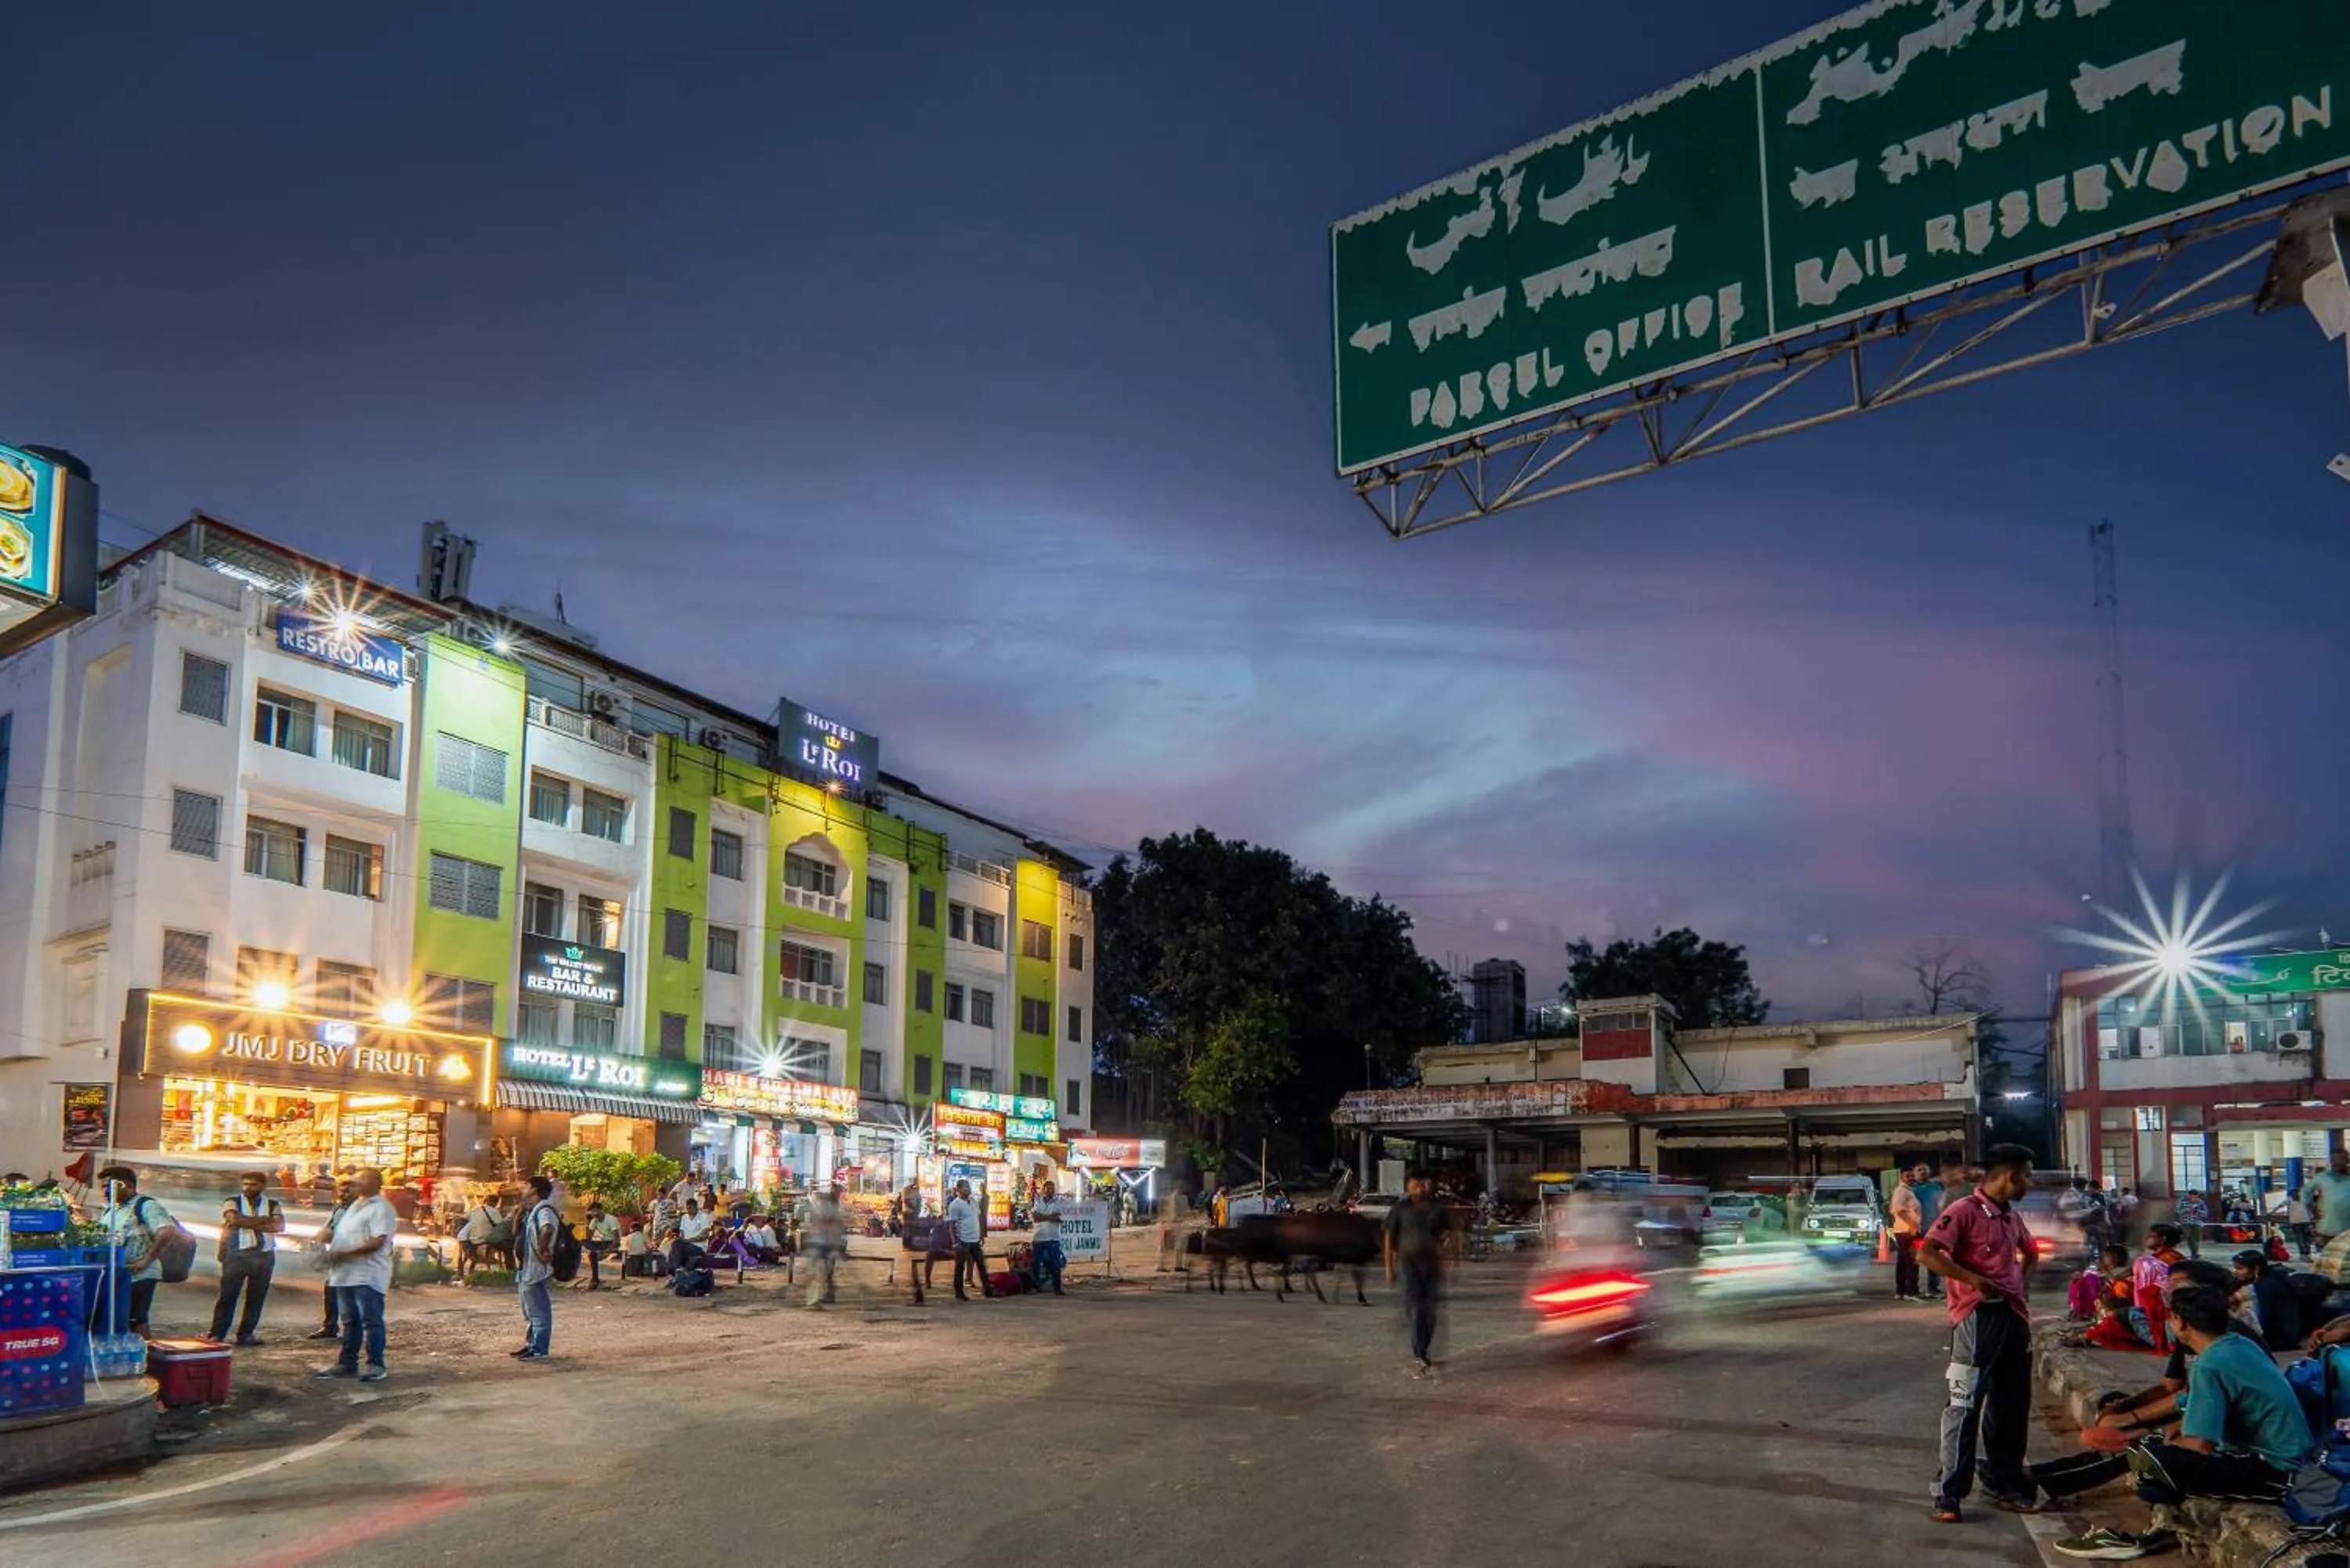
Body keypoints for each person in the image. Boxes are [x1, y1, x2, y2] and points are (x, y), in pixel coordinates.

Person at [2037, 1282, 2312, 1559]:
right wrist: (2153, 1425)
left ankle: (2049, 1486)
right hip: (2268, 1458)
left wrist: (2162, 1439)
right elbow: (2195, 1402)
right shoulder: (2235, 1344)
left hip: (2270, 1470)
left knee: (2149, 1461)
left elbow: (2200, 1445)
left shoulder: (2211, 1363)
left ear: (2181, 1322)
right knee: (2147, 1448)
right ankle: (2045, 1480)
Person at [1918, 1143, 2039, 1523]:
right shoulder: (1964, 1212)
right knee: (1964, 1403)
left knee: (2012, 1405)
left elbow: (2030, 1253)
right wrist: (1974, 1281)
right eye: (2027, 1175)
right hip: (1976, 1319)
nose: (2029, 1183)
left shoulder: (2010, 1217)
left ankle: (2004, 1484)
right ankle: (1949, 1493)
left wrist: (2021, 1287)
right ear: (2009, 1175)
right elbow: (1929, 1253)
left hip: (2013, 1318)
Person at [316, 1167, 396, 1383]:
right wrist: (324, 1237)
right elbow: (340, 1233)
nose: (353, 1185)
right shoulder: (354, 1207)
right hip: (345, 1275)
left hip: (366, 1274)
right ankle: (347, 1363)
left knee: (371, 1321)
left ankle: (375, 1365)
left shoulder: (380, 1208)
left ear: (374, 1183)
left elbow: (378, 1241)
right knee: (349, 1322)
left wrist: (344, 1254)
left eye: (359, 1182)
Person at [96, 1164, 185, 1335]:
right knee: (120, 1317)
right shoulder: (112, 1209)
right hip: (119, 1274)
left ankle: (143, 1356)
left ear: (128, 1186)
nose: (106, 1191)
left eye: (111, 1186)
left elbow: (167, 1232)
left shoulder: (146, 1205)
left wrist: (146, 1261)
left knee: (137, 1319)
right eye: (104, 1187)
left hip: (141, 1275)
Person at [1383, 1172, 1455, 1379]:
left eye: (1423, 1184)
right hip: (1408, 1266)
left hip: (1432, 1267)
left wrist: (1452, 1255)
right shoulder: (1400, 1209)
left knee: (1430, 1312)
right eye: (1415, 1185)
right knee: (1416, 1310)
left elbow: (1452, 1231)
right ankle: (1420, 1354)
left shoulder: (1437, 1209)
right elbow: (1389, 1237)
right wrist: (1389, 1267)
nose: (1420, 1188)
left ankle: (1424, 1348)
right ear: (1408, 1186)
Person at [210, 1169, 285, 1345]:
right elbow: (235, 1220)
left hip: (264, 1257)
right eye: (245, 1184)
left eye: (253, 1184)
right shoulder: (232, 1202)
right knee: (228, 1296)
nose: (248, 1188)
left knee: (256, 1297)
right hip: (236, 1256)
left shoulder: (273, 1203)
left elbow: (279, 1227)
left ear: (263, 1186)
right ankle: (217, 1333)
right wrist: (265, 1220)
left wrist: (247, 1222)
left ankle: (246, 1334)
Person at [513, 1175, 559, 1361]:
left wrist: (542, 1250)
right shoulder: (532, 1210)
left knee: (538, 1311)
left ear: (535, 1190)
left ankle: (539, 1349)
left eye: (527, 1186)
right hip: (526, 1268)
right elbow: (515, 1232)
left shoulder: (544, 1209)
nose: (524, 1189)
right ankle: (531, 1344)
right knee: (530, 1311)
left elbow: (547, 1229)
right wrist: (519, 1212)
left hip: (536, 1268)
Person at [307, 1177, 358, 1341]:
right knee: (331, 1292)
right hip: (337, 1255)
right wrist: (318, 1239)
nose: (344, 1194)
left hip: (355, 1258)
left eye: (348, 1191)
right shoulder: (339, 1208)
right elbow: (330, 1227)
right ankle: (330, 1326)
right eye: (342, 1191)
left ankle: (352, 1329)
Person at [2231, 1248, 2301, 1352]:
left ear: (2256, 1269)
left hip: (2276, 1339)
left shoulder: (2266, 1288)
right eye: (2235, 1268)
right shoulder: (2265, 1282)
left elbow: (2263, 1320)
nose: (2236, 1272)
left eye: (2240, 1268)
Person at [2131, 1226, 2187, 1351]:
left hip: (2161, 1305)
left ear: (2163, 1239)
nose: (2146, 1238)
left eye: (2151, 1236)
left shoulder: (2166, 1259)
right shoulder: (2157, 1258)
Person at [947, 1180, 992, 1300]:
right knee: (960, 1267)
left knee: (981, 1265)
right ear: (958, 1190)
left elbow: (978, 1218)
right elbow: (952, 1225)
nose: (968, 1188)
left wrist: (982, 1234)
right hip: (963, 1240)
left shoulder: (973, 1202)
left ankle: (988, 1290)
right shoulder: (955, 1205)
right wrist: (955, 1242)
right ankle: (959, 1293)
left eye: (968, 1186)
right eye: (965, 1187)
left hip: (975, 1240)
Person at [804, 1185, 846, 1309]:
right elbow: (830, 1227)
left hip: (821, 1244)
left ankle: (820, 1297)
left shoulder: (825, 1208)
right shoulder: (829, 1209)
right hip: (822, 1244)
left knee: (822, 1272)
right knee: (822, 1272)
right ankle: (818, 1298)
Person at [1889, 1166, 1926, 1302]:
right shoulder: (1901, 1191)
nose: (1911, 1178)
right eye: (1907, 1176)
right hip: (1908, 1231)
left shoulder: (1907, 1191)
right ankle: (1911, 1291)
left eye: (1912, 1176)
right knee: (1913, 1260)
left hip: (1905, 1231)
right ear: (1901, 1177)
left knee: (1903, 1261)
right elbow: (1898, 1210)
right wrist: (1912, 1225)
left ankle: (1901, 1291)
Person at [1030, 1177, 1067, 1297]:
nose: (1051, 1190)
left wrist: (1043, 1217)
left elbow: (1057, 1216)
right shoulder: (1038, 1200)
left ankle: (1057, 1288)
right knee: (1036, 1263)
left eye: (1052, 1188)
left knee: (1056, 1264)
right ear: (1044, 1189)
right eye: (1048, 1188)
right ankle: (1036, 1287)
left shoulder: (1059, 1201)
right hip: (1039, 1237)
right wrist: (1050, 1217)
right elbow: (1035, 1217)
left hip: (1053, 1237)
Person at [457, 1193, 504, 1281]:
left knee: (470, 1257)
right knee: (505, 1244)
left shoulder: (475, 1209)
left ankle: (465, 1273)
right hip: (485, 1240)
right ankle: (498, 1267)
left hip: (471, 1239)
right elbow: (500, 1226)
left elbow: (464, 1218)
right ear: (495, 1202)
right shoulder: (495, 1212)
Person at [580, 1200, 620, 1290]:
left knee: (592, 1254)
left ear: (600, 1210)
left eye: (595, 1211)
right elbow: (589, 1238)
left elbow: (617, 1238)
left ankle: (595, 1279)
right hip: (603, 1242)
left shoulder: (611, 1219)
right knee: (582, 1242)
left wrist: (608, 1250)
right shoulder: (595, 1221)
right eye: (592, 1211)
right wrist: (588, 1223)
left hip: (612, 1242)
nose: (594, 1213)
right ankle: (595, 1278)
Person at [2174, 1188, 2210, 1259]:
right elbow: (2178, 1211)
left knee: (2197, 1239)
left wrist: (2198, 1211)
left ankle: (2195, 1253)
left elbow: (2206, 1213)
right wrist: (2187, 1210)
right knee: (2190, 1237)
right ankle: (2195, 1254)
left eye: (2196, 1197)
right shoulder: (2182, 1201)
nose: (2195, 1199)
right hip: (2185, 1222)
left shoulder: (2201, 1202)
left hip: (2197, 1222)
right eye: (2193, 1197)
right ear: (2189, 1196)